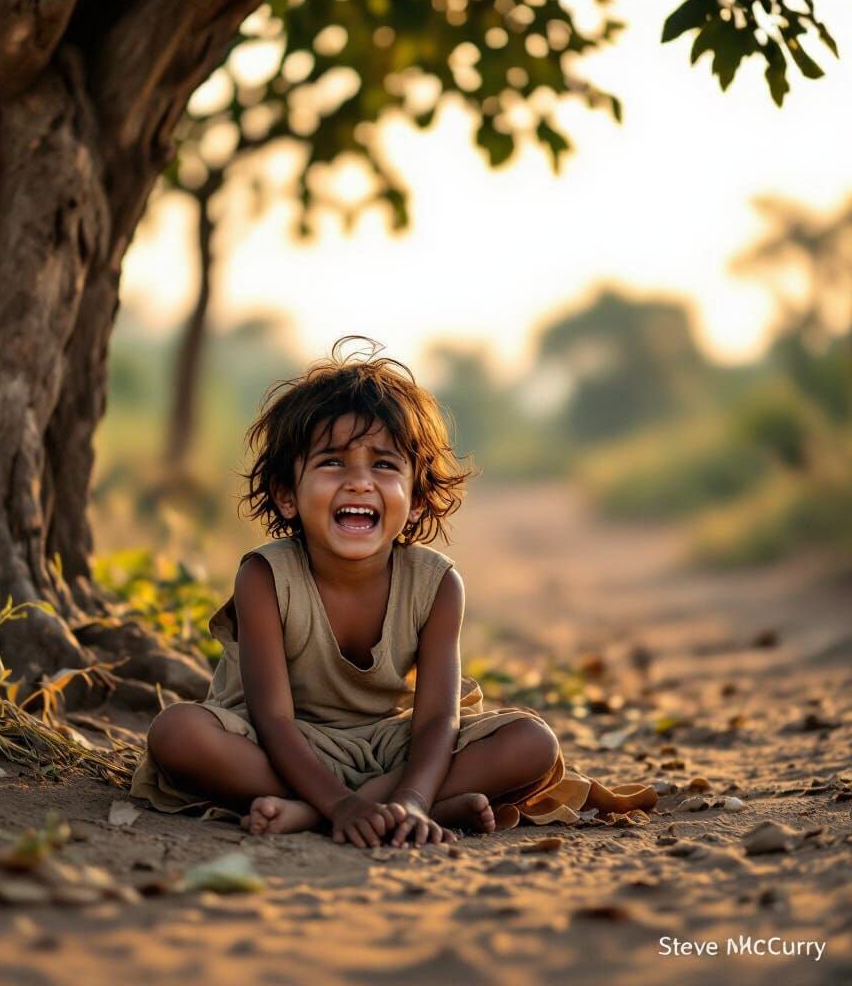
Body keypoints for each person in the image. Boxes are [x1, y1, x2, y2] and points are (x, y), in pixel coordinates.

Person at [131, 337, 657, 847]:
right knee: (179, 733)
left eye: (384, 465)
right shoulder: (266, 577)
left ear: (418, 497)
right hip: (280, 743)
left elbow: (435, 720)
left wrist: (408, 794)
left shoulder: (436, 584)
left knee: (532, 742)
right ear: (287, 496)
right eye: (332, 462)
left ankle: (373, 810)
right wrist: (340, 803)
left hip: (393, 745)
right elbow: (272, 719)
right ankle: (368, 807)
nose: (360, 482)